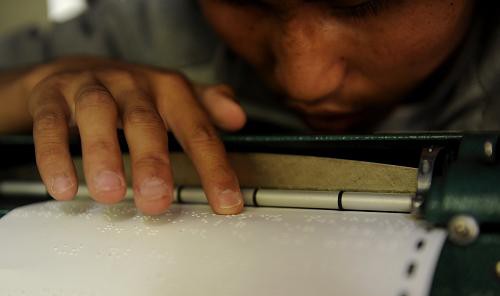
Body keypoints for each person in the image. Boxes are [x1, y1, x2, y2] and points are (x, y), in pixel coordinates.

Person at [0, 0, 498, 215]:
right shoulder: (155, 21)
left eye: (362, 4)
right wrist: (25, 91)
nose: (304, 82)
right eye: (244, 1)